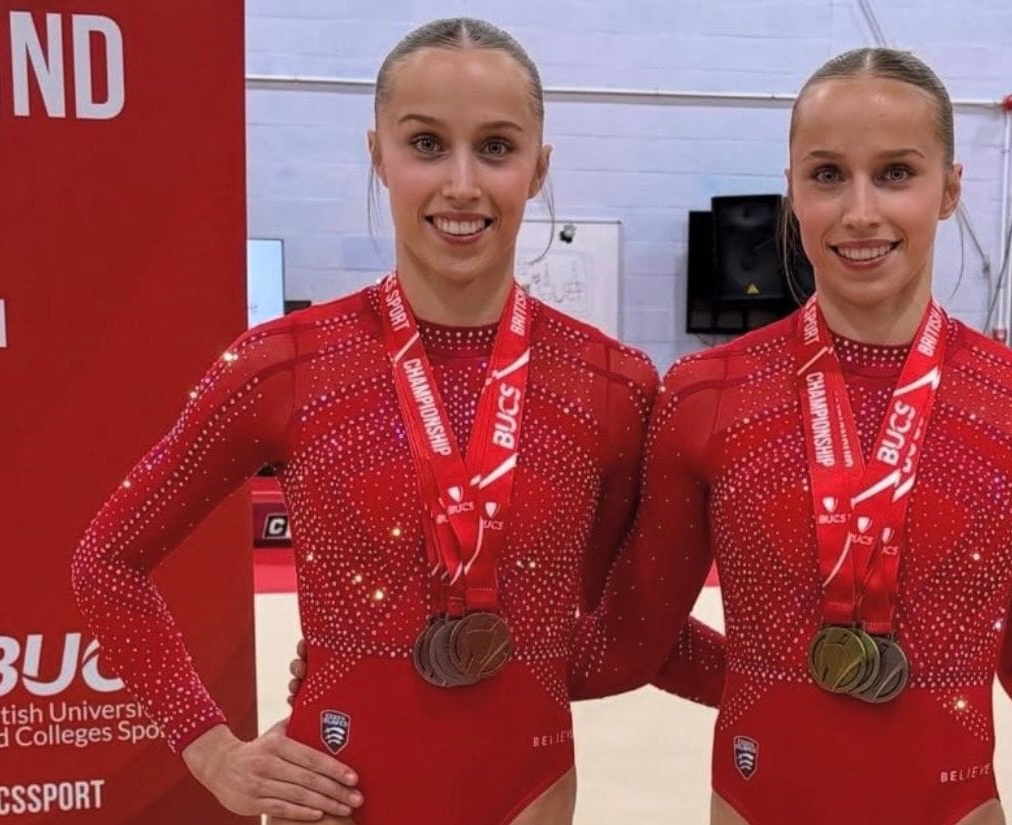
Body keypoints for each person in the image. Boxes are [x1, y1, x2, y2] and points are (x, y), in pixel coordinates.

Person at [565, 47, 1012, 825]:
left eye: (895, 173)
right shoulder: (704, 396)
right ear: (791, 191)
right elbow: (637, 639)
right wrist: (779, 678)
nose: (859, 212)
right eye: (826, 175)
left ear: (950, 188)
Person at [72, 18, 719, 825]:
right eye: (425, 144)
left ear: (539, 166)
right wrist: (212, 750)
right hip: (336, 795)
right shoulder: (283, 364)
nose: (460, 184)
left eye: (495, 147)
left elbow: (631, 629)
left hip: (529, 793)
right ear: (377, 154)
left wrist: (823, 690)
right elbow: (106, 561)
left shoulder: (611, 384)